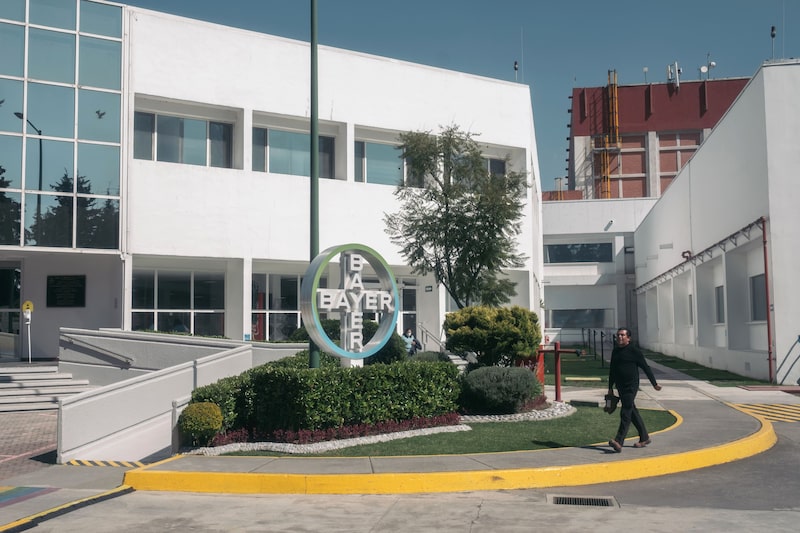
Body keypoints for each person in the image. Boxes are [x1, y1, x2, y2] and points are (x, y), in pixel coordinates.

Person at [607, 327, 662, 452]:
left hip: (631, 386)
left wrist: (654, 383)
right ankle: (645, 437)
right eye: (618, 335)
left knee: (625, 411)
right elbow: (612, 371)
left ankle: (619, 441)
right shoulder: (615, 351)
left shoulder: (634, 351)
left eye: (622, 335)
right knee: (632, 411)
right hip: (620, 386)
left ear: (629, 338)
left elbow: (645, 367)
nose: (619, 337)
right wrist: (610, 388)